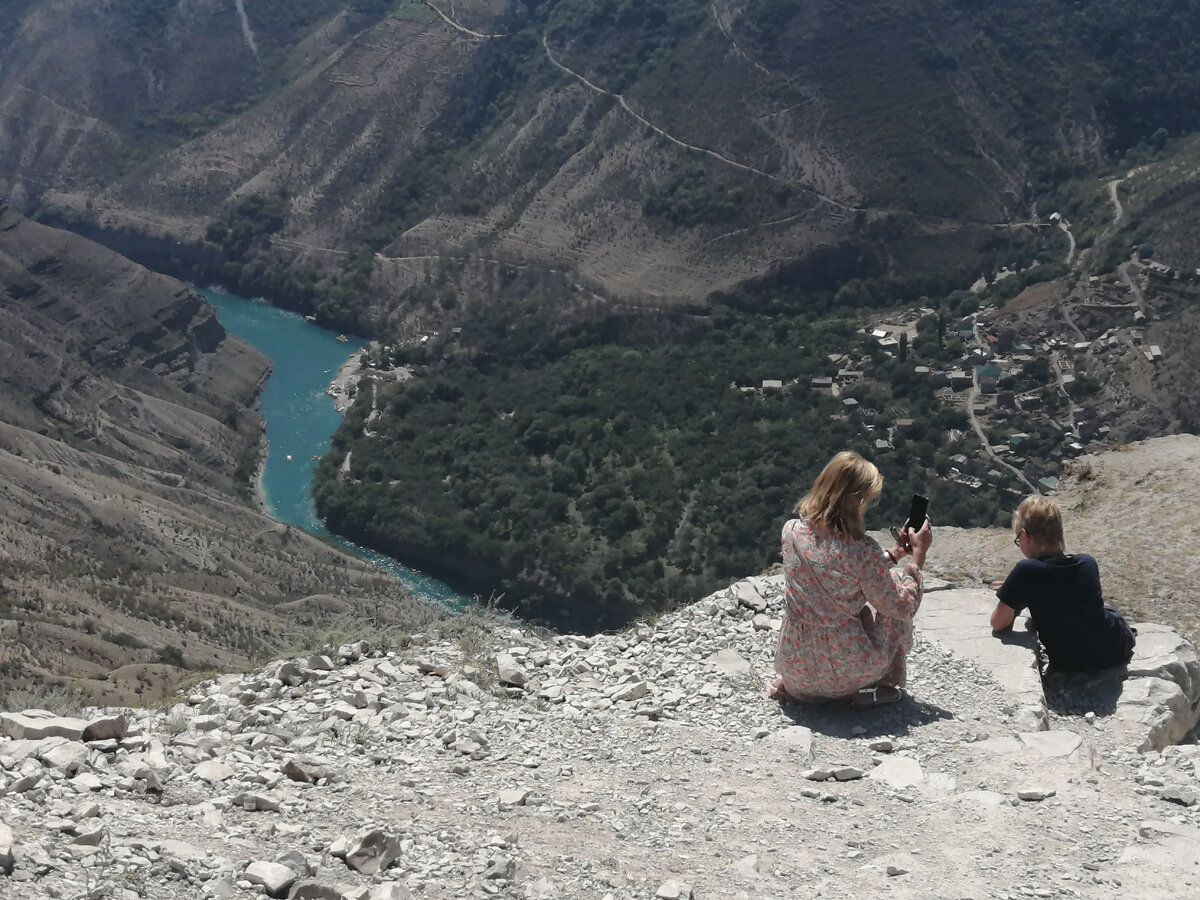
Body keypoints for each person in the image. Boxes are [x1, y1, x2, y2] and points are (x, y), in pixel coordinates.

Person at [771, 451, 933, 707]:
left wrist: (894, 554)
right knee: (895, 597)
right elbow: (903, 606)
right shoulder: (863, 549)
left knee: (884, 584)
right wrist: (917, 558)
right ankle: (877, 687)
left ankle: (816, 691)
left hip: (795, 672)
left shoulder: (790, 531)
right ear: (855, 503)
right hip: (847, 673)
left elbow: (834, 567)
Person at [991, 496, 1136, 672]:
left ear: (1024, 535)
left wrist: (1014, 590)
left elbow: (998, 624)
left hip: (1069, 664)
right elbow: (1060, 584)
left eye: (1018, 540)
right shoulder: (1087, 563)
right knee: (1106, 608)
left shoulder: (1026, 572)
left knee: (1104, 608)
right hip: (1114, 651)